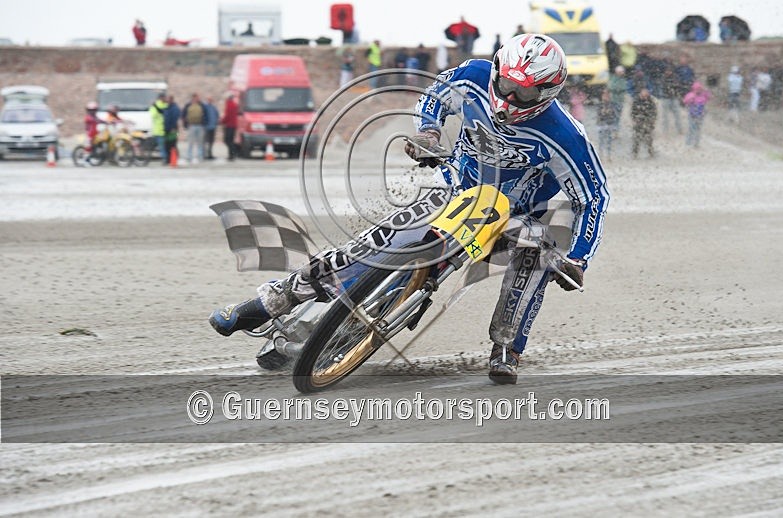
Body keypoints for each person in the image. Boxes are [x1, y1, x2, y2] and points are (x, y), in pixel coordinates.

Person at [209, 34, 610, 385]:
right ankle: (272, 302)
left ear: (546, 95)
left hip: (516, 218)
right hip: (457, 190)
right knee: (375, 240)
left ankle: (507, 347)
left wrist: (580, 259)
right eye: (505, 84)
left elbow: (593, 197)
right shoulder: (473, 75)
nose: (508, 97)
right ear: (497, 70)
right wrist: (429, 132)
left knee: (538, 254)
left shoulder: (566, 136)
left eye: (522, 94)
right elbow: (431, 98)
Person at [182, 93, 208, 164]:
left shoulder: (202, 105)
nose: (196, 99)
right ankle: (189, 156)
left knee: (200, 142)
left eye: (197, 98)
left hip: (200, 125)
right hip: (191, 125)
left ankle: (200, 156)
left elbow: (205, 114)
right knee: (191, 142)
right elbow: (183, 114)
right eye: (195, 98)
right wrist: (186, 125)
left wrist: (204, 124)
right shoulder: (188, 105)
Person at [631, 87, 657, 158]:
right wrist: (636, 119)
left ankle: (650, 153)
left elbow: (654, 112)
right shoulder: (636, 101)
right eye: (644, 93)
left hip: (648, 123)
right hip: (638, 123)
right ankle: (635, 153)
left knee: (649, 139)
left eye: (646, 93)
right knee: (636, 139)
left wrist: (651, 120)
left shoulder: (651, 101)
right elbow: (633, 112)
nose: (645, 95)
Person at [683, 81, 710, 148]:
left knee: (698, 129)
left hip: (700, 115)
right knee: (691, 129)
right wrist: (691, 100)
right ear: (694, 89)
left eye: (700, 89)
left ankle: (696, 144)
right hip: (692, 115)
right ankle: (688, 143)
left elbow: (709, 97)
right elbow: (685, 101)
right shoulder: (690, 95)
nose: (698, 90)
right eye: (697, 89)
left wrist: (706, 91)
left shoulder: (703, 95)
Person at [607, 65, 627, 133]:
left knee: (617, 116)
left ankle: (615, 130)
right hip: (612, 99)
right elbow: (611, 86)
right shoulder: (613, 78)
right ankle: (612, 129)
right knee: (612, 115)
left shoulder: (623, 79)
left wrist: (615, 89)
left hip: (620, 100)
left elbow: (623, 87)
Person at [596, 89, 616, 158]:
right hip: (602, 124)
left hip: (609, 124)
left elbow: (613, 114)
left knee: (609, 141)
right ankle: (601, 155)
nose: (606, 97)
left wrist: (608, 113)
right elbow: (598, 114)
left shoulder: (611, 104)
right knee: (601, 140)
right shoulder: (600, 104)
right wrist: (603, 112)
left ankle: (608, 155)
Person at [149, 93, 168, 163]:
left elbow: (153, 115)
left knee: (161, 146)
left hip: (158, 130)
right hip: (161, 130)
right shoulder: (165, 105)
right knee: (163, 146)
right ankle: (165, 159)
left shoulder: (155, 106)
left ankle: (165, 159)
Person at [164, 95, 181, 164]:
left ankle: (174, 159)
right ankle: (169, 159)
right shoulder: (167, 108)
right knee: (167, 145)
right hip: (167, 129)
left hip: (173, 130)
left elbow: (175, 119)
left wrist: (173, 127)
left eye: (168, 99)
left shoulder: (175, 108)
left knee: (173, 144)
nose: (167, 101)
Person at [222, 93, 238, 161]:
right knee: (231, 140)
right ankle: (231, 155)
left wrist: (222, 121)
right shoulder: (234, 104)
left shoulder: (229, 104)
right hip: (234, 125)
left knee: (227, 140)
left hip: (229, 125)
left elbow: (227, 116)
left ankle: (232, 153)